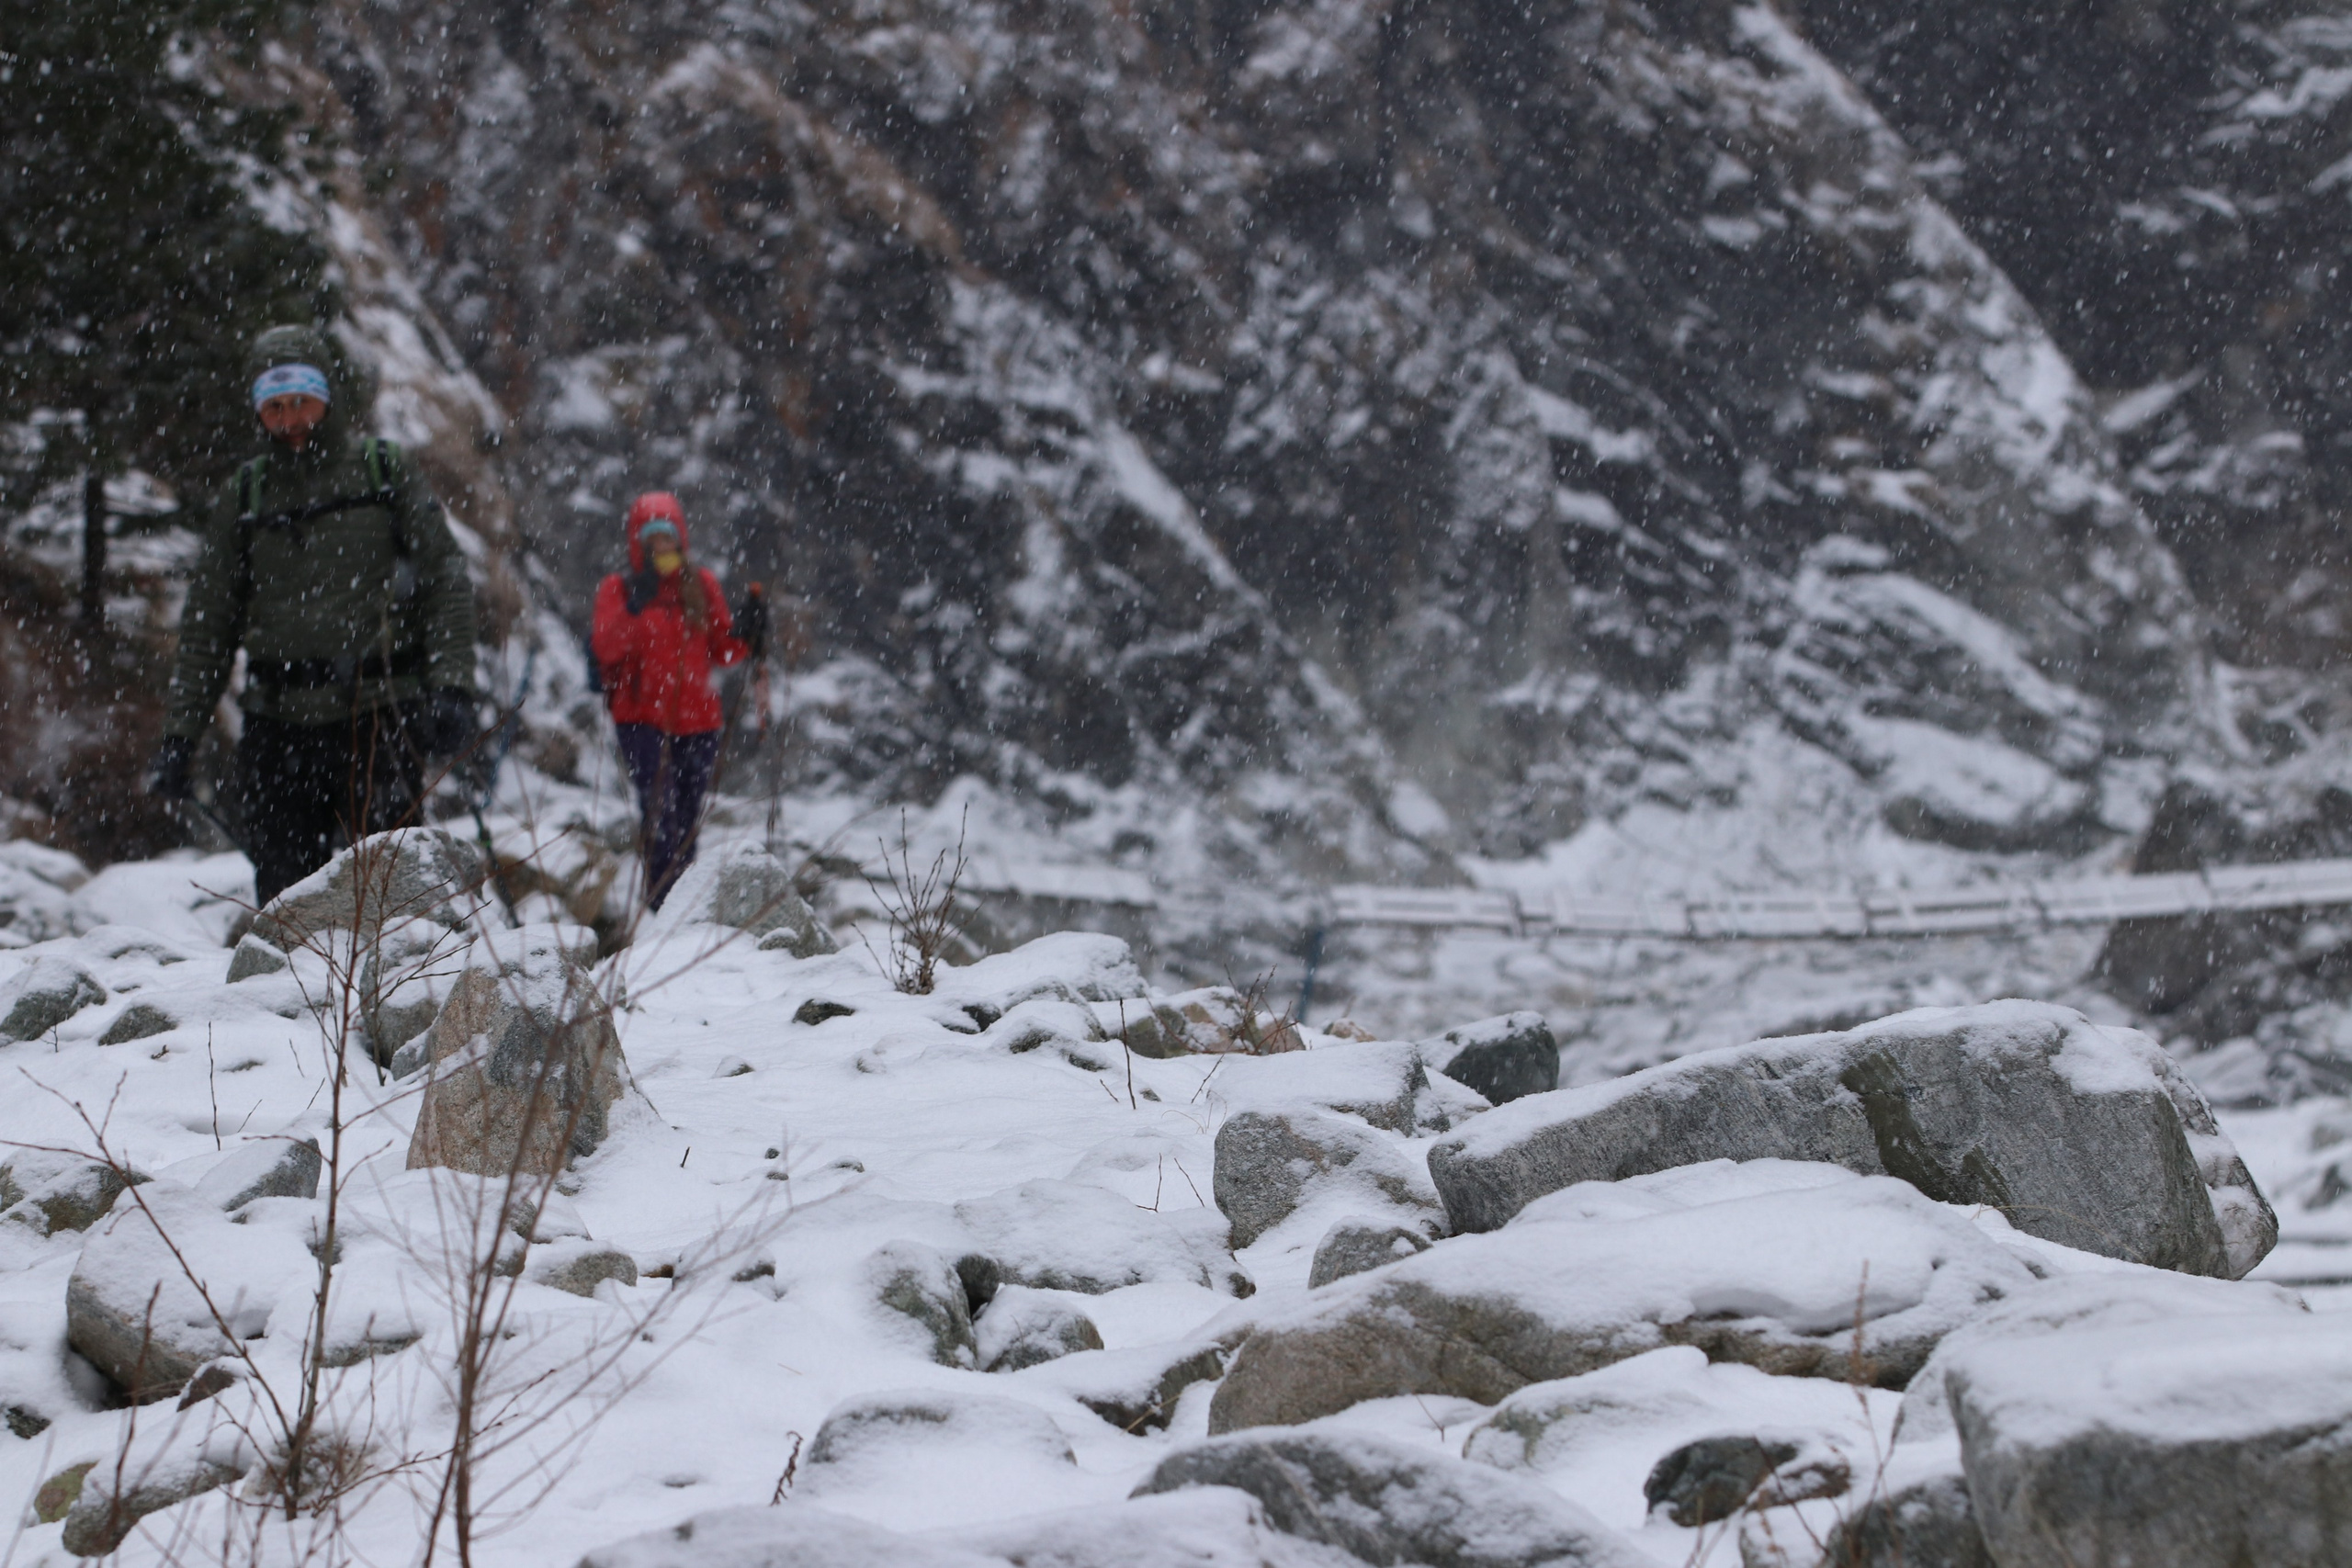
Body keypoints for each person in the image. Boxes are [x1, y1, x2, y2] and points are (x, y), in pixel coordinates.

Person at [148, 325, 481, 904]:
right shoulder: (244, 497)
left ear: (331, 397)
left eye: (302, 401)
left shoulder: (384, 471)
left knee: (395, 899)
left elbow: (444, 581)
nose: (291, 419)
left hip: (379, 717)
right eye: (274, 407)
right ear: (258, 414)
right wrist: (182, 735)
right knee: (287, 908)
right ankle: (291, 999)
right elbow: (209, 627)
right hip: (277, 728)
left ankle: (405, 997)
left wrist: (451, 685)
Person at [591, 492, 763, 908]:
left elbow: (722, 649)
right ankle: (661, 905)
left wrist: (747, 629)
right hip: (640, 719)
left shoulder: (700, 584)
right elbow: (607, 648)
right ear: (638, 543)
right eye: (652, 540)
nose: (662, 549)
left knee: (687, 819)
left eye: (667, 538)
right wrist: (636, 603)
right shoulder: (619, 588)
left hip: (699, 720)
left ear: (680, 538)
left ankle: (683, 908)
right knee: (659, 813)